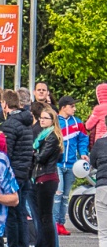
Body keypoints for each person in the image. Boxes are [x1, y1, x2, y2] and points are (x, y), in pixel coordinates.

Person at [0, 90, 36, 247]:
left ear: (5, 104)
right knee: (21, 212)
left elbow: (7, 152)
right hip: (25, 172)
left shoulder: (10, 125)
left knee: (12, 214)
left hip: (13, 173)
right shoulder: (26, 122)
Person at [30, 106, 62, 247]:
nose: (41, 120)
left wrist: (33, 153)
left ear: (52, 121)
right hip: (42, 177)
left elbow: (41, 157)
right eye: (41, 117)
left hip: (47, 177)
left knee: (46, 216)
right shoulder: (43, 136)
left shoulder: (51, 137)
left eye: (45, 118)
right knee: (44, 216)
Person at [55, 96, 89, 236]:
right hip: (57, 163)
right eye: (72, 106)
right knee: (58, 194)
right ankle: (55, 223)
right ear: (64, 107)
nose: (74, 109)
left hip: (71, 164)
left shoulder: (78, 123)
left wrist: (83, 153)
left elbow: (83, 140)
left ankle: (61, 223)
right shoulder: (55, 121)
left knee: (65, 196)